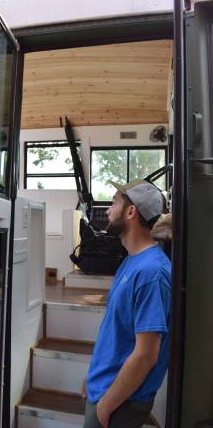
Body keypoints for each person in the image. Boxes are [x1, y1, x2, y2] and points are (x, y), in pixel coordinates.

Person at [82, 179, 172, 428]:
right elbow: (117, 329)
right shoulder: (132, 261)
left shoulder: (152, 273)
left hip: (121, 403)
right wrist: (92, 379)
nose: (109, 210)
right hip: (103, 388)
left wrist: (106, 405)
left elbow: (146, 355)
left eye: (113, 203)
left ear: (131, 212)